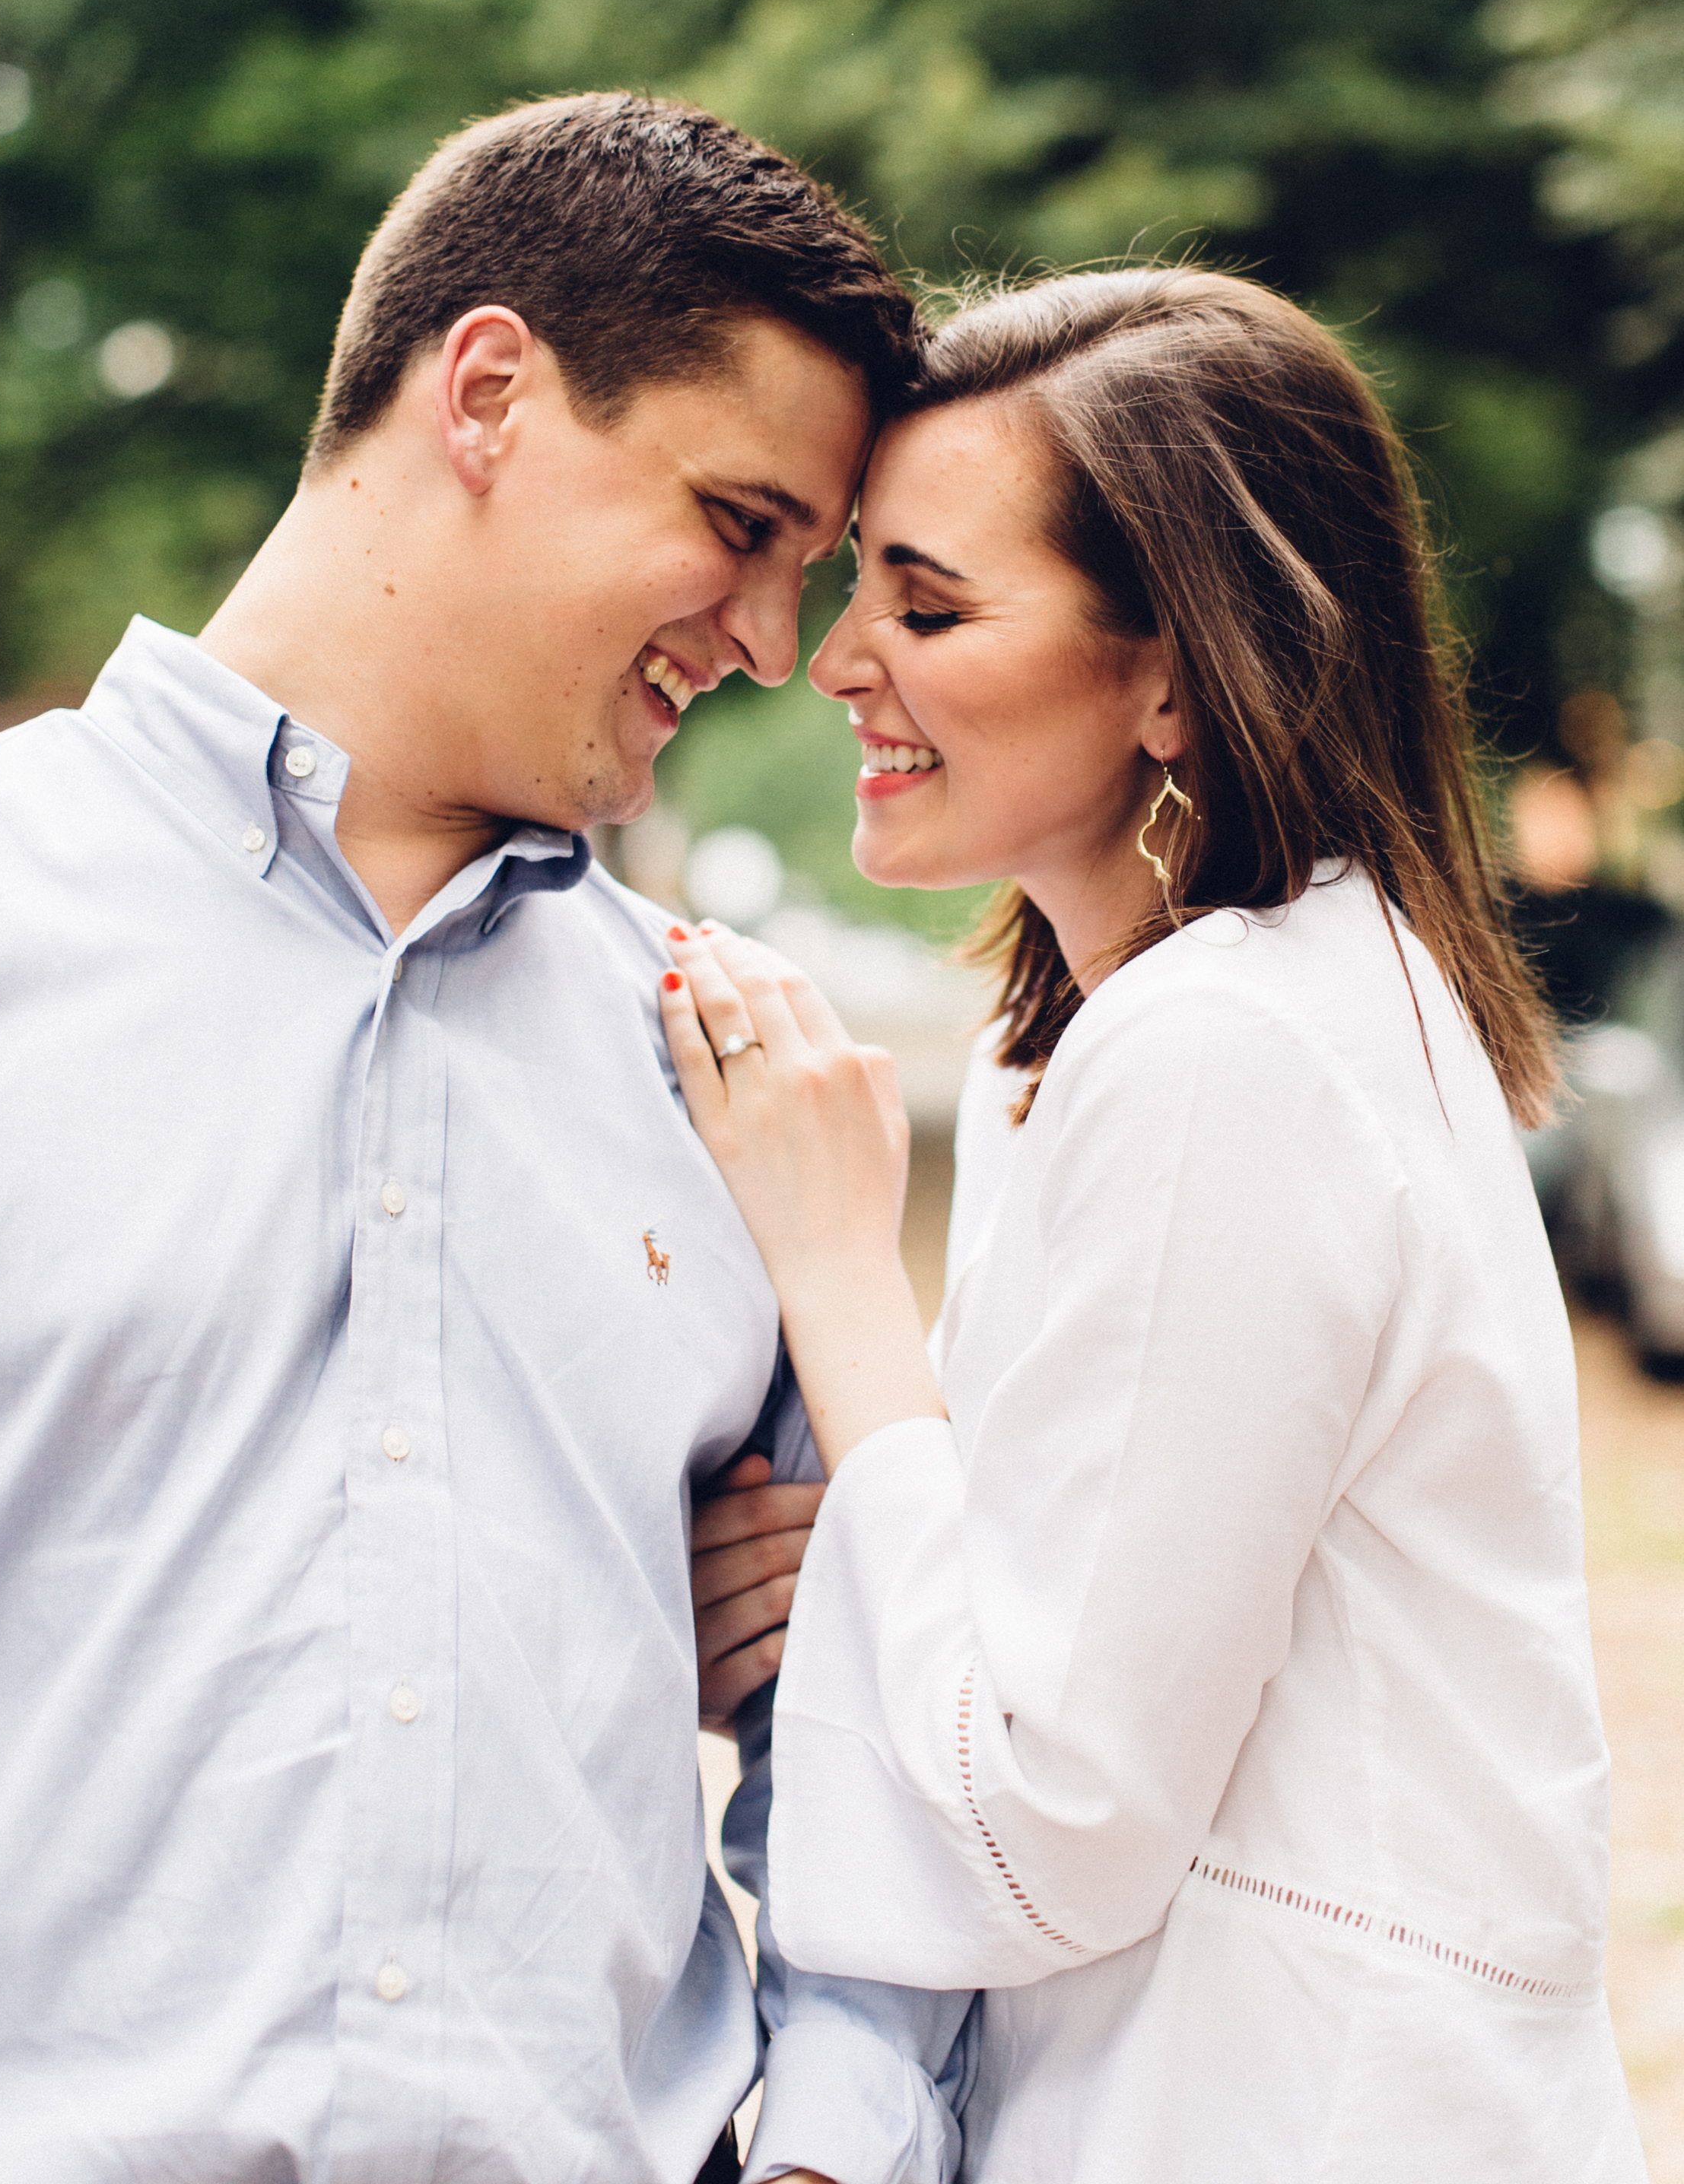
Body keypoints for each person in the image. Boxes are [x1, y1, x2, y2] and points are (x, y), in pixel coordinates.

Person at [0, 94, 974, 2183]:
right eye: (741, 523)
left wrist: (833, 2145)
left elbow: (849, 1773)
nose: (771, 643)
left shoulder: (733, 1067)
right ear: (486, 391)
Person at [660, 269, 1648, 2180]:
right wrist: (852, 1571)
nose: (835, 654)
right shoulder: (1243, 1011)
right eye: (859, 575)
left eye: (926, 600)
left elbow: (1043, 1814)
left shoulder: (1230, 1049)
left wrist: (839, 1274)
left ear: (1178, 668)